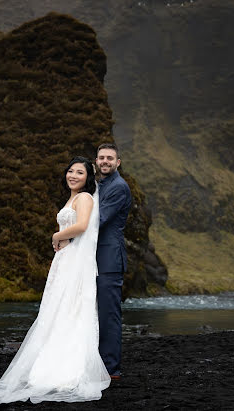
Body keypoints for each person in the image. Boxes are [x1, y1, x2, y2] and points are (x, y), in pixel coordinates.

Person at [0, 156, 110, 404]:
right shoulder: (72, 198)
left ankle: (67, 368)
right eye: (70, 171)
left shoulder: (84, 198)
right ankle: (48, 363)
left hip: (74, 261)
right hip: (65, 260)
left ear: (88, 178)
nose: (73, 175)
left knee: (71, 310)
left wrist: (56, 235)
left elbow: (82, 226)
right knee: (57, 311)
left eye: (80, 173)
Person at [95, 142, 132, 380]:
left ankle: (111, 369)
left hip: (109, 259)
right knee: (94, 314)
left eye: (110, 158)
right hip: (94, 258)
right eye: (101, 158)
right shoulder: (99, 185)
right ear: (96, 161)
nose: (105, 161)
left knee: (109, 315)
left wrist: (66, 234)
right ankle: (98, 363)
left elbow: (98, 220)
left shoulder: (118, 187)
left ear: (117, 162)